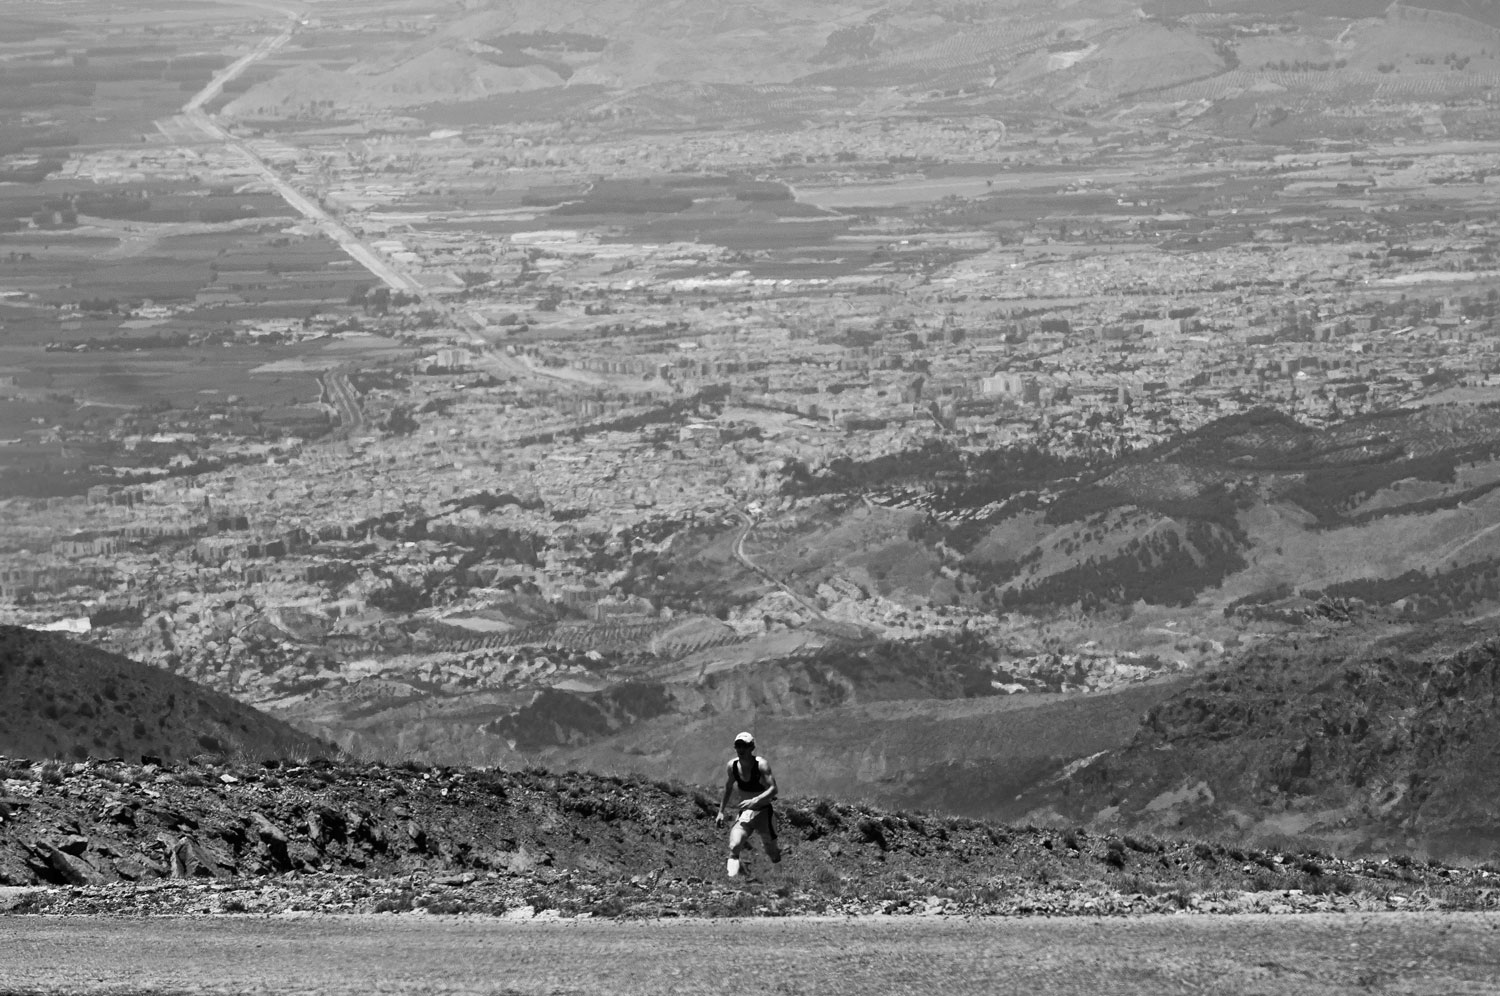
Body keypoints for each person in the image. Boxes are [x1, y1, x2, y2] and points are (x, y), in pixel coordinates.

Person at [716, 730, 780, 877]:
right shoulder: (732, 766)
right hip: (746, 813)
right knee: (734, 845)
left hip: (764, 812)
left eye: (744, 746)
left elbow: (774, 789)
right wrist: (721, 811)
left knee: (771, 851)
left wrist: (755, 800)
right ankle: (731, 879)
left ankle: (781, 876)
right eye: (738, 746)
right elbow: (728, 787)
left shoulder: (761, 765)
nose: (741, 749)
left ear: (751, 747)